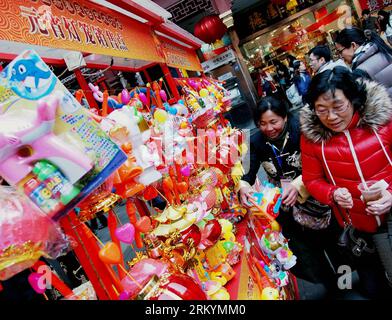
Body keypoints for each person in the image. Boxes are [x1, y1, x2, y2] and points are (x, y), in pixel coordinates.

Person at [301, 66, 392, 299]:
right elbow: (312, 180)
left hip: (389, 219)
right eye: (321, 110)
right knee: (374, 288)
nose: (330, 117)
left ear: (354, 99)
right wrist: (332, 193)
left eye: (338, 106)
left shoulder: (383, 121)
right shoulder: (312, 138)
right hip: (355, 227)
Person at [238, 96, 341, 295]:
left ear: (285, 117)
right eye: (262, 123)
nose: (268, 128)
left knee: (334, 244)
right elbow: (246, 171)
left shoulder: (302, 130)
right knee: (306, 250)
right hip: (287, 203)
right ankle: (328, 284)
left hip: (317, 196)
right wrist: (243, 186)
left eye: (273, 122)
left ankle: (346, 282)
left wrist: (299, 184)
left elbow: (323, 160)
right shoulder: (256, 141)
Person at [334, 27, 392, 96]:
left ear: (353, 45)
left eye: (340, 51)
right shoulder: (384, 51)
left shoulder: (359, 73)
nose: (340, 56)